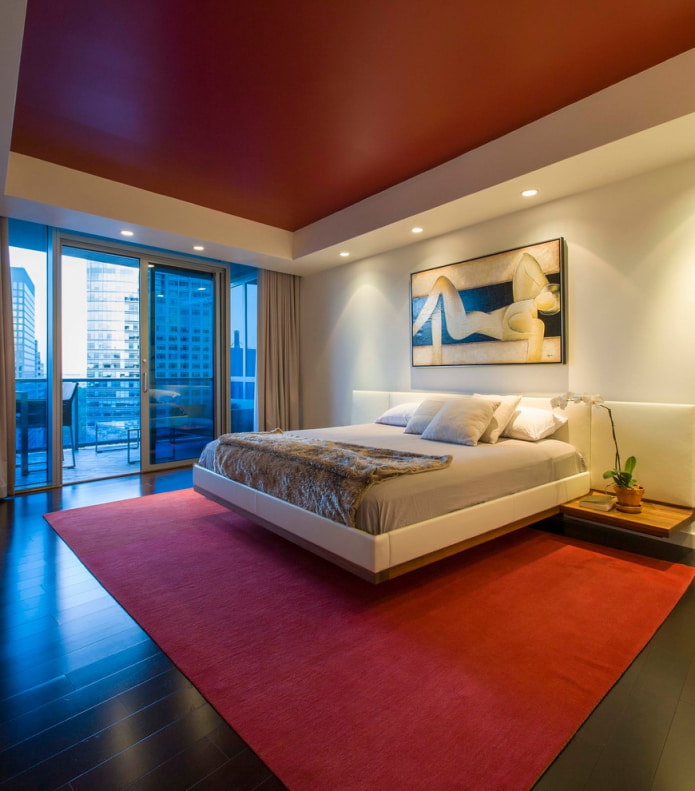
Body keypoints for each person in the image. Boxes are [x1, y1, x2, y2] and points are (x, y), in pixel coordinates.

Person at [412, 252, 561, 362]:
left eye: (553, 299)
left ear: (551, 309)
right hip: (466, 320)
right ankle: (434, 355)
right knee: (439, 298)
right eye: (549, 292)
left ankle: (415, 328)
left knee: (442, 282)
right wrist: (545, 285)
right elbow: (526, 259)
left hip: (462, 326)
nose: (548, 294)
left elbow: (533, 359)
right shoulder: (525, 301)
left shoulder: (534, 323)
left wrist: (548, 291)